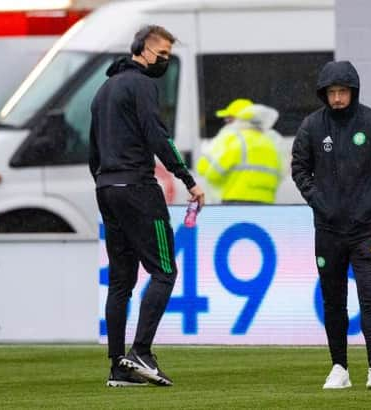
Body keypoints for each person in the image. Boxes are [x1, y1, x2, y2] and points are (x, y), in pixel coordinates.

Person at [89, 25, 205, 387]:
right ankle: (141, 351)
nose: (165, 61)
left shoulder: (104, 90)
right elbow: (157, 134)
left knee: (121, 281)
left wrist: (106, 182)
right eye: (162, 54)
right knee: (165, 270)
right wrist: (187, 179)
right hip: (138, 188)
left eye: (169, 56)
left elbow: (93, 150)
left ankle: (117, 367)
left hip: (107, 188)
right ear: (141, 50)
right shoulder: (142, 85)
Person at [291, 60, 371, 389]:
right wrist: (320, 203)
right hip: (328, 230)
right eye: (332, 92)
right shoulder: (312, 126)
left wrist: (368, 203)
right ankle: (339, 368)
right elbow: (299, 169)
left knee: (370, 294)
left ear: (353, 92)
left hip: (366, 228)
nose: (337, 98)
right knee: (333, 299)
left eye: (343, 92)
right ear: (324, 94)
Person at [196, 99, 283, 204]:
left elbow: (210, 173)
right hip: (266, 201)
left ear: (239, 119)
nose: (226, 124)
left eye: (229, 119)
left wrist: (208, 151)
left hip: (236, 200)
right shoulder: (270, 141)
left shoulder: (234, 139)